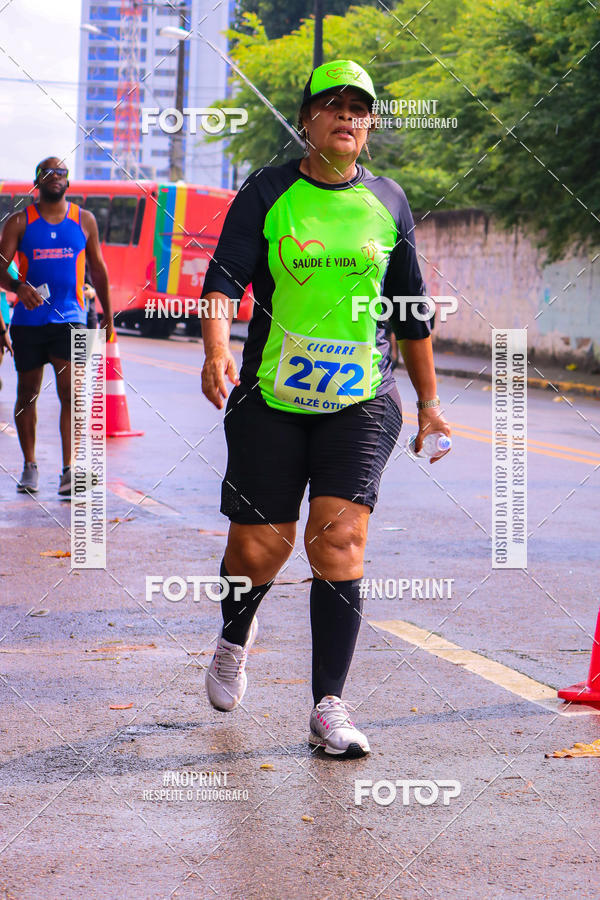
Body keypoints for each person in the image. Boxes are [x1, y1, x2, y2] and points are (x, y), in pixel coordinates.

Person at [200, 60, 451, 758]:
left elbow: (412, 312)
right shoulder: (268, 193)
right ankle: (233, 636)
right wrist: (217, 351)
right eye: (333, 106)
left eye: (359, 109)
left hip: (361, 401)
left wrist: (430, 404)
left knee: (337, 541)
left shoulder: (389, 201)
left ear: (369, 123)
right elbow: (222, 282)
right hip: (272, 399)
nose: (347, 117)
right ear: (306, 119)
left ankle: (328, 708)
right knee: (260, 549)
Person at [0, 157, 114, 496]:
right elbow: (0, 267)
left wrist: (108, 314)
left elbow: (99, 269)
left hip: (71, 318)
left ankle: (68, 471)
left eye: (61, 173)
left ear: (68, 181)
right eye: (48, 172)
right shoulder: (19, 221)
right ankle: (30, 466)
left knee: (73, 394)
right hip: (29, 323)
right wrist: (18, 287)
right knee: (27, 394)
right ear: (37, 180)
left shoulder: (84, 220)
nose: (55, 177)